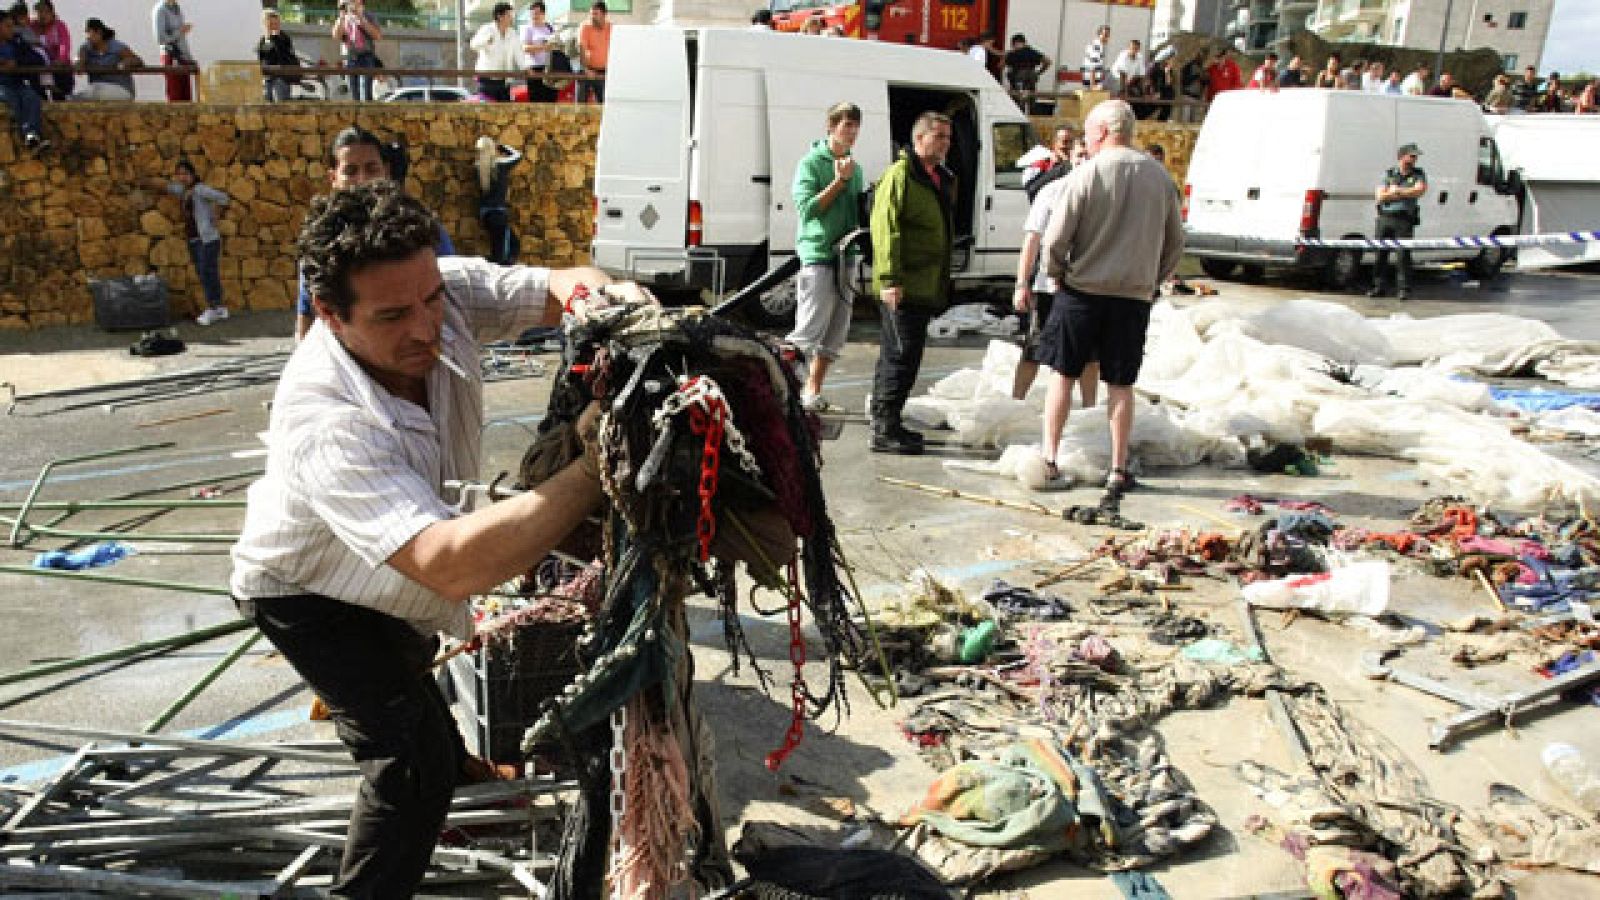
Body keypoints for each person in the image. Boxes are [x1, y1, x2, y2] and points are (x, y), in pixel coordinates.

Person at [233, 180, 650, 899]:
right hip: (307, 594)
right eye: (394, 315)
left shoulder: (439, 289)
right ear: (330, 315)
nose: (427, 326)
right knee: (406, 765)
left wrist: (611, 301)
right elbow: (447, 567)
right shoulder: (326, 417)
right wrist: (593, 469)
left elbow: (560, 285)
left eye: (430, 300)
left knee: (417, 671)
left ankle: (465, 782)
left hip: (394, 585)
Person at [1038, 99, 1183, 494]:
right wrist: (1151, 281)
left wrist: (1057, 276)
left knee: (1063, 375)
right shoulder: (1160, 179)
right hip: (1132, 297)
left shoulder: (1085, 175)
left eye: (1088, 133)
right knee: (1121, 383)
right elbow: (1175, 242)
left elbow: (1055, 238)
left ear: (1101, 133)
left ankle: (1050, 458)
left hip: (1081, 292)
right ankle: (1118, 468)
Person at [295, 127, 457, 341]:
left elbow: (451, 296)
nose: (362, 179)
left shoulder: (419, 229)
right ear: (333, 178)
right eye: (350, 171)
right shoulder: (323, 240)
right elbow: (307, 312)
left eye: (371, 169)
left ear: (386, 171)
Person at [868, 111, 953, 455]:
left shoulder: (936, 177)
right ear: (919, 139)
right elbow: (886, 230)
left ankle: (889, 421)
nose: (946, 143)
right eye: (939, 137)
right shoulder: (900, 176)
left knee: (906, 355)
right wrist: (890, 279)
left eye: (948, 137)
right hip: (903, 285)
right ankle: (885, 429)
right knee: (899, 357)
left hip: (924, 284)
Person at [786, 101, 865, 413]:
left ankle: (812, 390)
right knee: (809, 327)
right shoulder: (811, 163)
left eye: (857, 126)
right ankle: (784, 389)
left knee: (836, 331)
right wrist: (839, 182)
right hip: (819, 253)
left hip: (848, 254)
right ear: (831, 126)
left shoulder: (854, 167)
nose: (853, 132)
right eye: (847, 125)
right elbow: (807, 210)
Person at [1011, 167, 1099, 405]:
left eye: (1089, 158)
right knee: (1035, 348)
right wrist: (1022, 283)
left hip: (1087, 287)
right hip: (1048, 286)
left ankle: (1089, 408)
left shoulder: (1103, 193)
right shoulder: (1051, 192)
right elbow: (1032, 239)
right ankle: (1016, 402)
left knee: (1089, 353)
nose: (1084, 162)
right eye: (1079, 156)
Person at [142, 160, 230, 324]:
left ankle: (213, 308)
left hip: (208, 239)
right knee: (205, 273)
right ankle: (219, 308)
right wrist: (145, 182)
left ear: (193, 174)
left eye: (185, 174)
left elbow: (223, 198)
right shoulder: (183, 191)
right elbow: (167, 187)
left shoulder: (200, 189)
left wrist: (215, 215)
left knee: (206, 272)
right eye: (179, 174)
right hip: (194, 239)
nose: (182, 177)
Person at [1367, 142, 1426, 301]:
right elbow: (1380, 196)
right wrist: (1404, 193)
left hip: (1404, 218)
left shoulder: (1418, 174)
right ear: (1402, 156)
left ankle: (1403, 289)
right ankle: (1378, 286)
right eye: (1412, 156)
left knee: (1403, 256)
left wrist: (1397, 191)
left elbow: (1419, 190)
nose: (1414, 160)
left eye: (1415, 157)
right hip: (1385, 217)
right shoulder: (1389, 174)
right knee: (1380, 254)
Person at [0, 10, 47, 151]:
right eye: (7, 26)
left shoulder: (17, 42)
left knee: (31, 98)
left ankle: (31, 135)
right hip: (2, 85)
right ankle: (25, 133)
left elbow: (38, 59)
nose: (11, 29)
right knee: (11, 99)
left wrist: (17, 62)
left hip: (17, 84)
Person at [77, 17, 140, 101]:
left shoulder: (117, 47)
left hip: (121, 89)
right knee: (93, 90)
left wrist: (125, 63)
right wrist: (81, 59)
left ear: (99, 32)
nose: (87, 37)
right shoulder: (86, 49)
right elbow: (79, 67)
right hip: (96, 89)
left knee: (96, 91)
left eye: (89, 32)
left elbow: (138, 61)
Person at [470, 2, 521, 103]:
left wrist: (525, 68)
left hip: (504, 79)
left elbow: (518, 53)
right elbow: (473, 44)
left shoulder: (512, 33)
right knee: (487, 109)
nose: (511, 18)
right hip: (487, 78)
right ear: (500, 16)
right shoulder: (487, 29)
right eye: (509, 15)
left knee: (506, 109)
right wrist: (486, 41)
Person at [333, 0, 382, 103]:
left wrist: (361, 18)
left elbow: (378, 36)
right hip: (351, 56)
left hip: (366, 55)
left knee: (366, 90)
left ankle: (367, 114)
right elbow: (336, 36)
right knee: (353, 91)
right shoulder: (344, 17)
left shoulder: (369, 15)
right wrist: (341, 17)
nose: (350, 3)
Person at [151, 0, 191, 102]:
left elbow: (181, 39)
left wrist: (189, 58)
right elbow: (160, 39)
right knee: (175, 96)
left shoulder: (176, 7)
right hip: (171, 55)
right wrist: (180, 31)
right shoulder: (160, 10)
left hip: (183, 57)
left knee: (186, 97)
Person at [29, 1, 69, 100]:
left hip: (57, 67)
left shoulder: (59, 26)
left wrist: (60, 59)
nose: (42, 15)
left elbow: (64, 44)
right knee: (38, 96)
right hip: (39, 68)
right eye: (39, 12)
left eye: (45, 12)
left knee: (60, 96)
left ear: (52, 12)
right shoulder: (32, 26)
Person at [257, 9, 297, 103]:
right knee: (267, 103)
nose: (273, 27)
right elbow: (263, 56)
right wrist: (268, 38)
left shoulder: (283, 37)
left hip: (281, 76)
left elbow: (282, 54)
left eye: (276, 24)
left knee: (280, 103)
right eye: (270, 24)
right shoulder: (264, 39)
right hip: (268, 76)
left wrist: (275, 38)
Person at [521, 1, 557, 103]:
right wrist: (543, 47)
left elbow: (555, 46)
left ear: (543, 14)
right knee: (536, 101)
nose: (534, 16)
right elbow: (525, 48)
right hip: (534, 69)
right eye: (532, 13)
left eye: (536, 13)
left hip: (550, 68)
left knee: (550, 100)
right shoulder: (527, 28)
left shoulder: (550, 28)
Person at [576, 0, 610, 104]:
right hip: (587, 70)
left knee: (604, 104)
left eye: (595, 14)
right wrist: (586, 69)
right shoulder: (585, 27)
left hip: (605, 71)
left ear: (604, 14)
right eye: (591, 14)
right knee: (581, 104)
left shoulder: (612, 28)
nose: (592, 17)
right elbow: (581, 48)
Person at [1003, 33, 1049, 110]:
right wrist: (1039, 72)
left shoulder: (1012, 54)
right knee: (1031, 98)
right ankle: (1032, 114)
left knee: (1018, 101)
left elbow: (1000, 65)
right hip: (1031, 77)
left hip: (1018, 79)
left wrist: (1006, 56)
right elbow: (1048, 61)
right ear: (1025, 42)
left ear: (1014, 43)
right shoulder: (1032, 52)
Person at [1081, 25, 1109, 91]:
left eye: (1108, 35)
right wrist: (1093, 86)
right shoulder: (1096, 46)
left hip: (1093, 79)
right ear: (1099, 34)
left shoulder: (1100, 45)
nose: (1107, 37)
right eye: (1105, 35)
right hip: (1092, 80)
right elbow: (1092, 67)